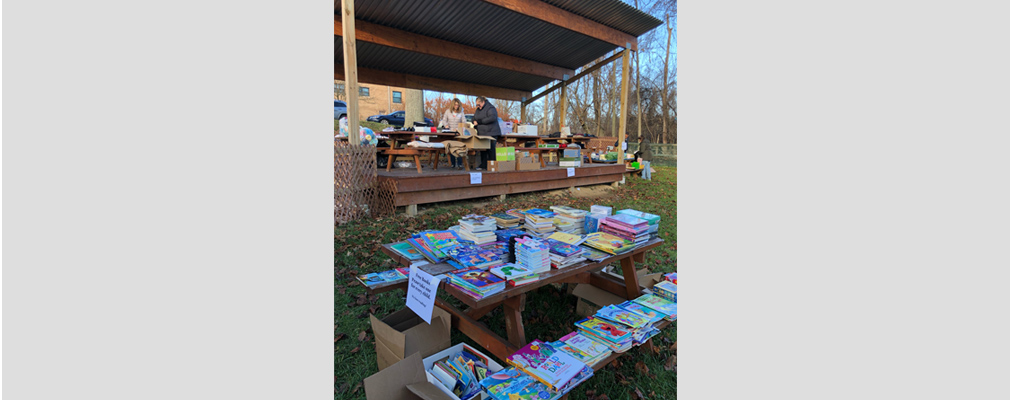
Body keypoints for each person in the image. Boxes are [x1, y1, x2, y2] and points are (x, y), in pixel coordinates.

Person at [471, 96, 501, 170]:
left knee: (491, 149)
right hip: (482, 133)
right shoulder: (478, 110)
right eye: (477, 105)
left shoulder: (491, 108)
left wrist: (479, 122)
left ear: (483, 102)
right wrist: (473, 121)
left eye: (479, 105)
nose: (478, 106)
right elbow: (474, 118)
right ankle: (483, 165)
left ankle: (492, 165)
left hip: (492, 132)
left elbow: (492, 118)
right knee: (483, 150)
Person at [439, 98, 468, 169]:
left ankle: (460, 163)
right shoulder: (448, 111)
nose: (456, 106)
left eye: (458, 105)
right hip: (450, 131)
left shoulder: (461, 112)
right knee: (452, 147)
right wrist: (446, 125)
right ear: (453, 105)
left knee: (459, 147)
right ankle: (453, 163)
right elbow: (444, 120)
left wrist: (459, 128)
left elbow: (464, 122)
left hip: (458, 132)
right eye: (455, 105)